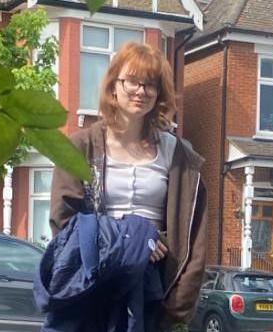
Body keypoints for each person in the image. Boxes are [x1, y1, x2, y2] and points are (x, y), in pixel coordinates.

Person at [48, 42, 208, 331]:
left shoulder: (179, 155)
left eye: (150, 85)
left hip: (154, 294)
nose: (141, 91)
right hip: (93, 288)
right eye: (132, 81)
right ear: (113, 86)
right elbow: (64, 223)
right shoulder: (81, 146)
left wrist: (175, 308)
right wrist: (135, 240)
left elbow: (196, 241)